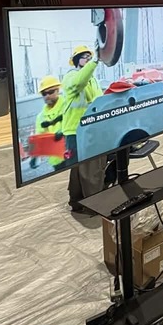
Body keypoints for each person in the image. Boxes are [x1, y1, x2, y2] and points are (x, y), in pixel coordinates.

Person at [61, 43, 106, 213]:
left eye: (89, 56)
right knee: (85, 168)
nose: (87, 59)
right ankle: (91, 205)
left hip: (88, 128)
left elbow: (98, 100)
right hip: (74, 131)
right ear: (75, 60)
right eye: (84, 57)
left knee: (82, 168)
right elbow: (80, 82)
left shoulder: (92, 79)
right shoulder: (71, 76)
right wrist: (94, 61)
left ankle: (78, 202)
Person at [31, 75, 66, 171]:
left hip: (73, 154)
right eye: (44, 93)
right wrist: (34, 155)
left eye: (50, 92)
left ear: (58, 90)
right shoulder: (41, 116)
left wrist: (63, 132)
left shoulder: (67, 105)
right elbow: (39, 136)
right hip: (56, 161)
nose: (47, 96)